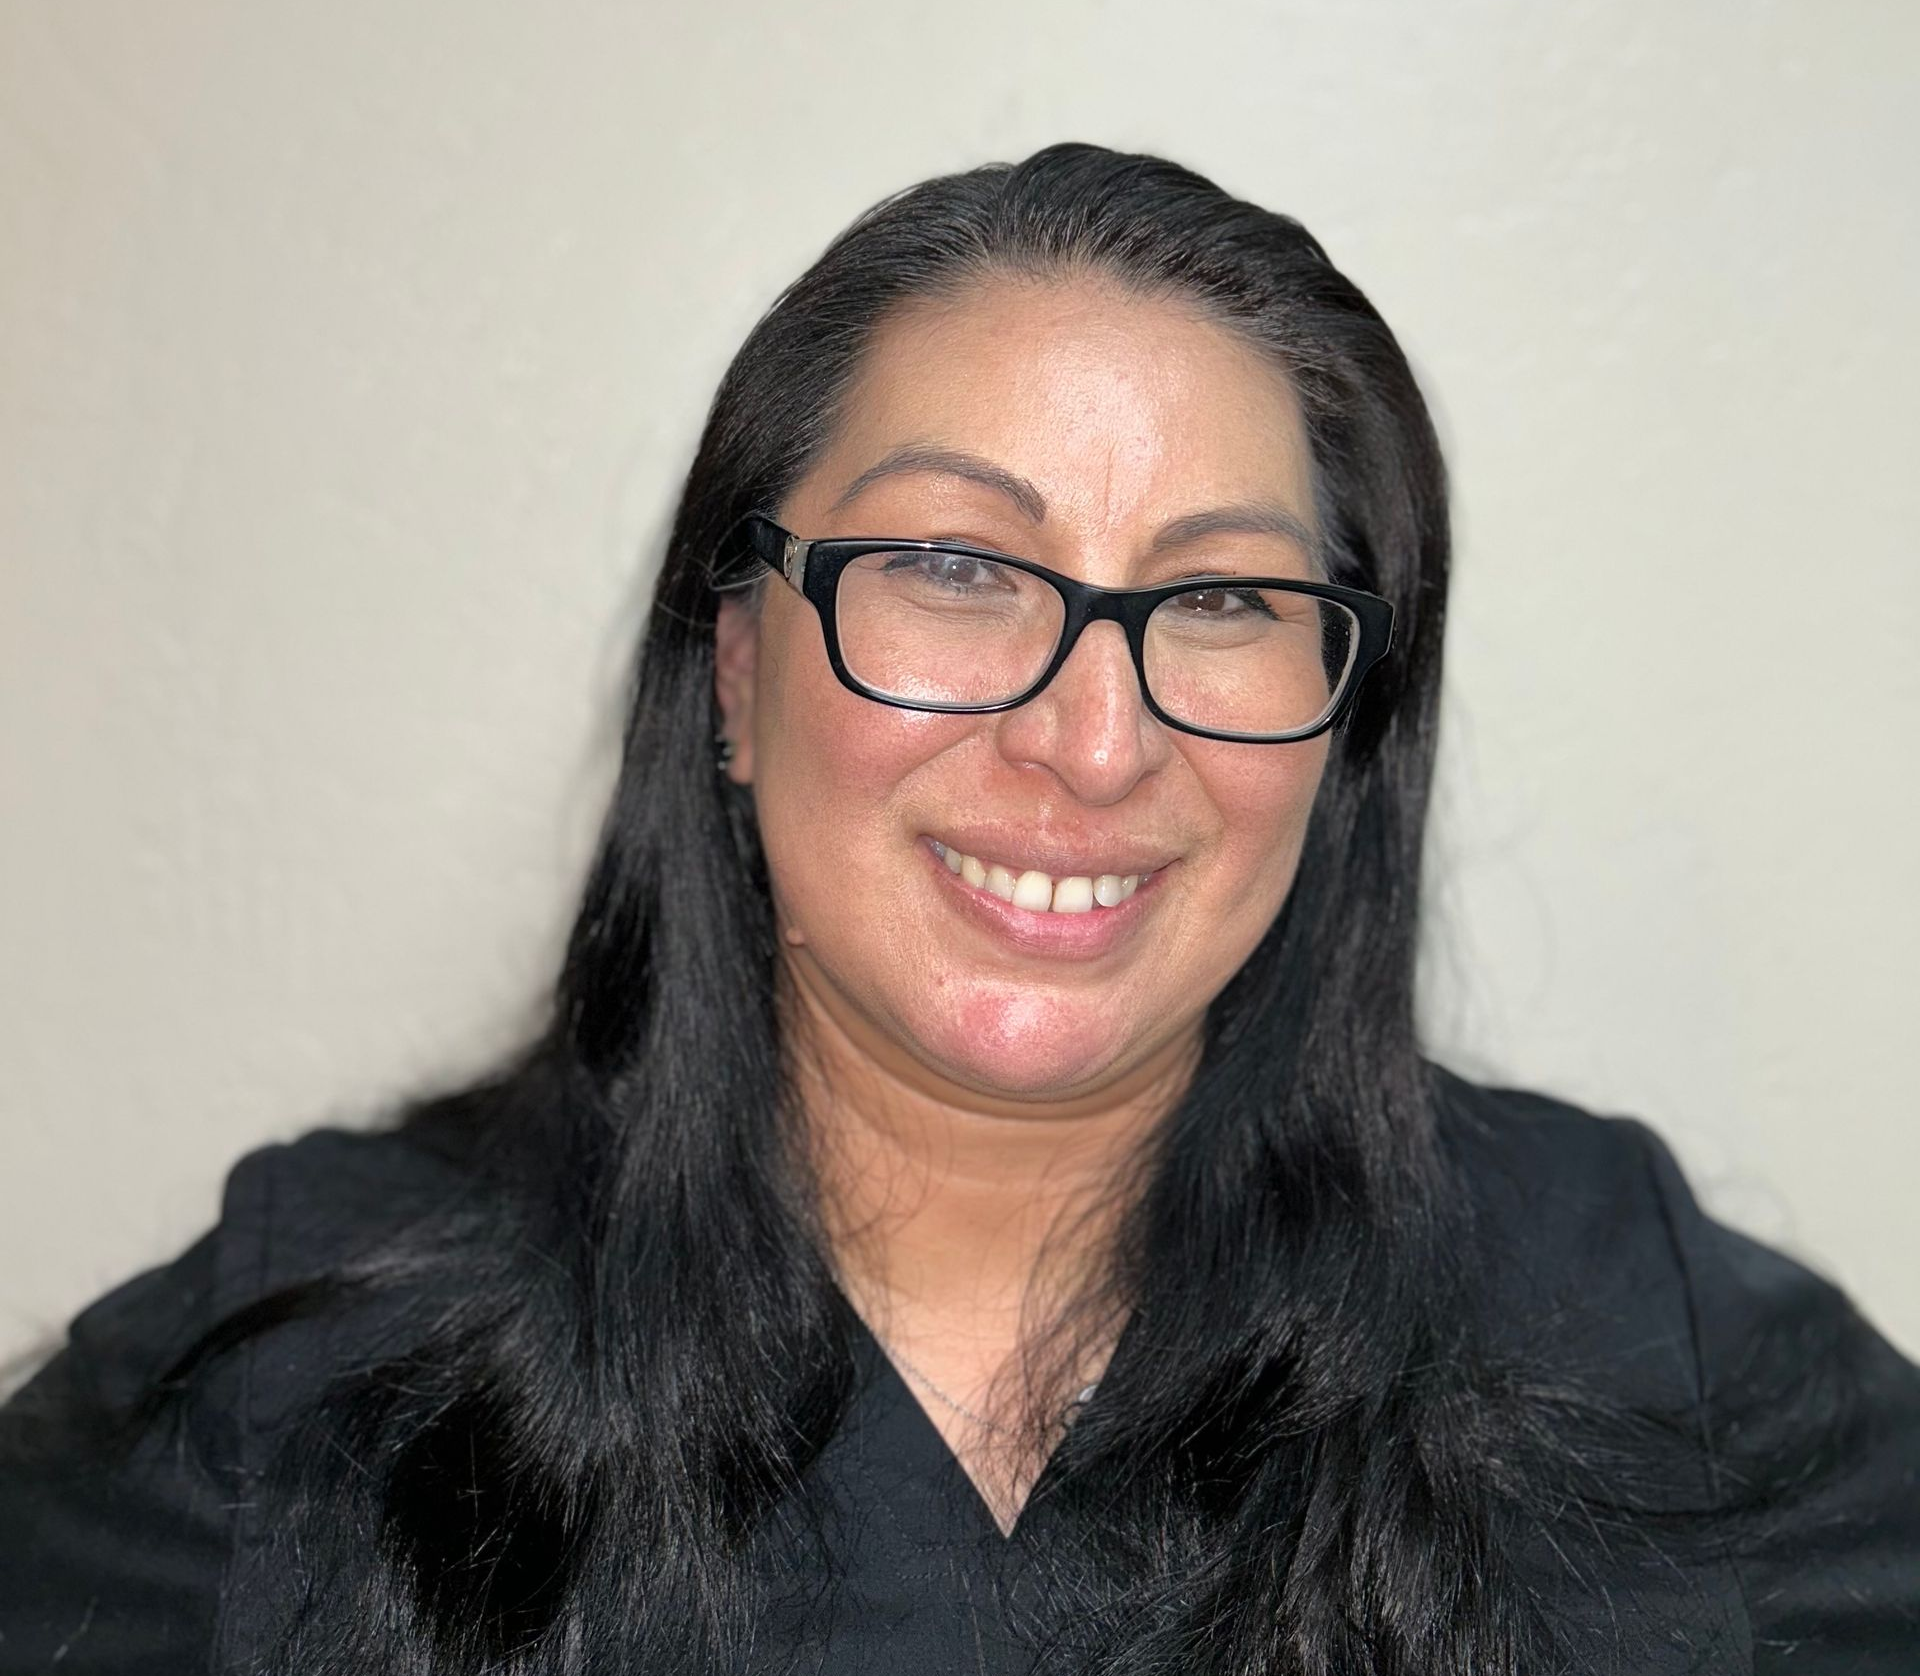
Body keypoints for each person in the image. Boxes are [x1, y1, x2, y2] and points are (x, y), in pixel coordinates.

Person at [2, 142, 1916, 1676]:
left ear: (1348, 735)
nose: (1094, 741)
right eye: (952, 566)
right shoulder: (293, 1367)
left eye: (1228, 599)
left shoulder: (1657, 1338)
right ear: (739, 670)